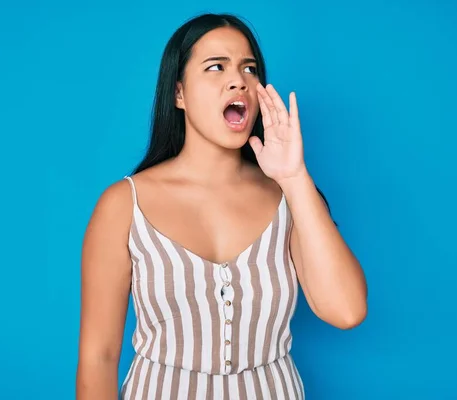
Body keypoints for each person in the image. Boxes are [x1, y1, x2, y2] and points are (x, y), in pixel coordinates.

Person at [76, 12, 368, 399]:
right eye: (216, 67)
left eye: (249, 69)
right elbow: (99, 355)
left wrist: (295, 178)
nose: (239, 81)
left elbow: (346, 311)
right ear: (178, 93)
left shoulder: (289, 195)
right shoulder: (122, 205)